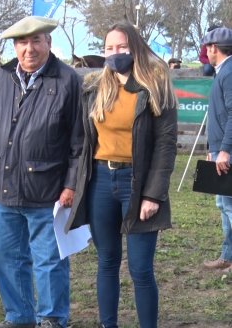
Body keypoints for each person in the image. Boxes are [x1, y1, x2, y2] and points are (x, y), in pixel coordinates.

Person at [0, 16, 83, 328]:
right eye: (23, 42)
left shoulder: (67, 80)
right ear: (14, 46)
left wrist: (71, 184)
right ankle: (19, 316)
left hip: (48, 190)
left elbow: (79, 140)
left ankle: (51, 318)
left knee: (49, 260)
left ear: (49, 42)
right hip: (5, 187)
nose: (30, 48)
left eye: (37, 41)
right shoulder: (1, 76)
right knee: (6, 256)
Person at [68, 22, 178, 328]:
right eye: (109, 49)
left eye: (122, 47)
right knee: (107, 262)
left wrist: (153, 194)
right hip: (101, 182)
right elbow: (82, 140)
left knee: (141, 269)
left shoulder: (155, 86)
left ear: (136, 48)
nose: (115, 54)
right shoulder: (93, 87)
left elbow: (166, 144)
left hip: (138, 183)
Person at [200, 27, 232, 273]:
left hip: (227, 153)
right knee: (223, 206)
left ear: (213, 48)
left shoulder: (229, 73)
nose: (206, 52)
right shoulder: (222, 72)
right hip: (219, 151)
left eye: (207, 48)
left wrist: (225, 150)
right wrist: (213, 149)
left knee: (230, 206)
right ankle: (227, 255)